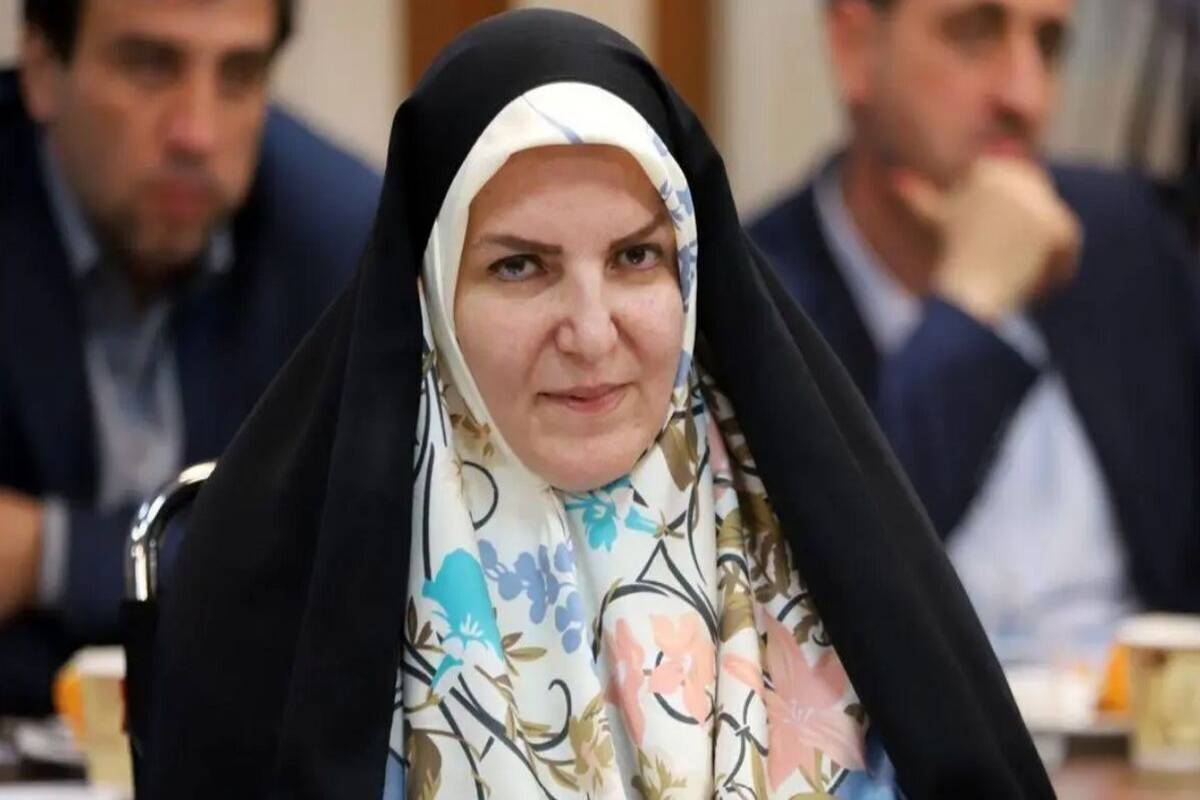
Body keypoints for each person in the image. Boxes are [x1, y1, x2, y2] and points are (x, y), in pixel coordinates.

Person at [145, 10, 1052, 798]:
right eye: (519, 266)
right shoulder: (297, 600)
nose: (590, 331)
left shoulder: (815, 560)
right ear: (428, 300)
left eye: (635, 258)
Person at [749, 0, 1200, 662]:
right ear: (855, 48)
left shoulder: (1123, 239)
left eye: (1048, 45)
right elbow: (827, 601)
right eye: (973, 33)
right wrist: (971, 306)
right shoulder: (756, 303)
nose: (1026, 95)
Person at [0, 0, 381, 714]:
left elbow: (342, 567)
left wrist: (45, 554)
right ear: (44, 70)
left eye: (239, 74)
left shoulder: (339, 242)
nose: (197, 134)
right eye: (149, 67)